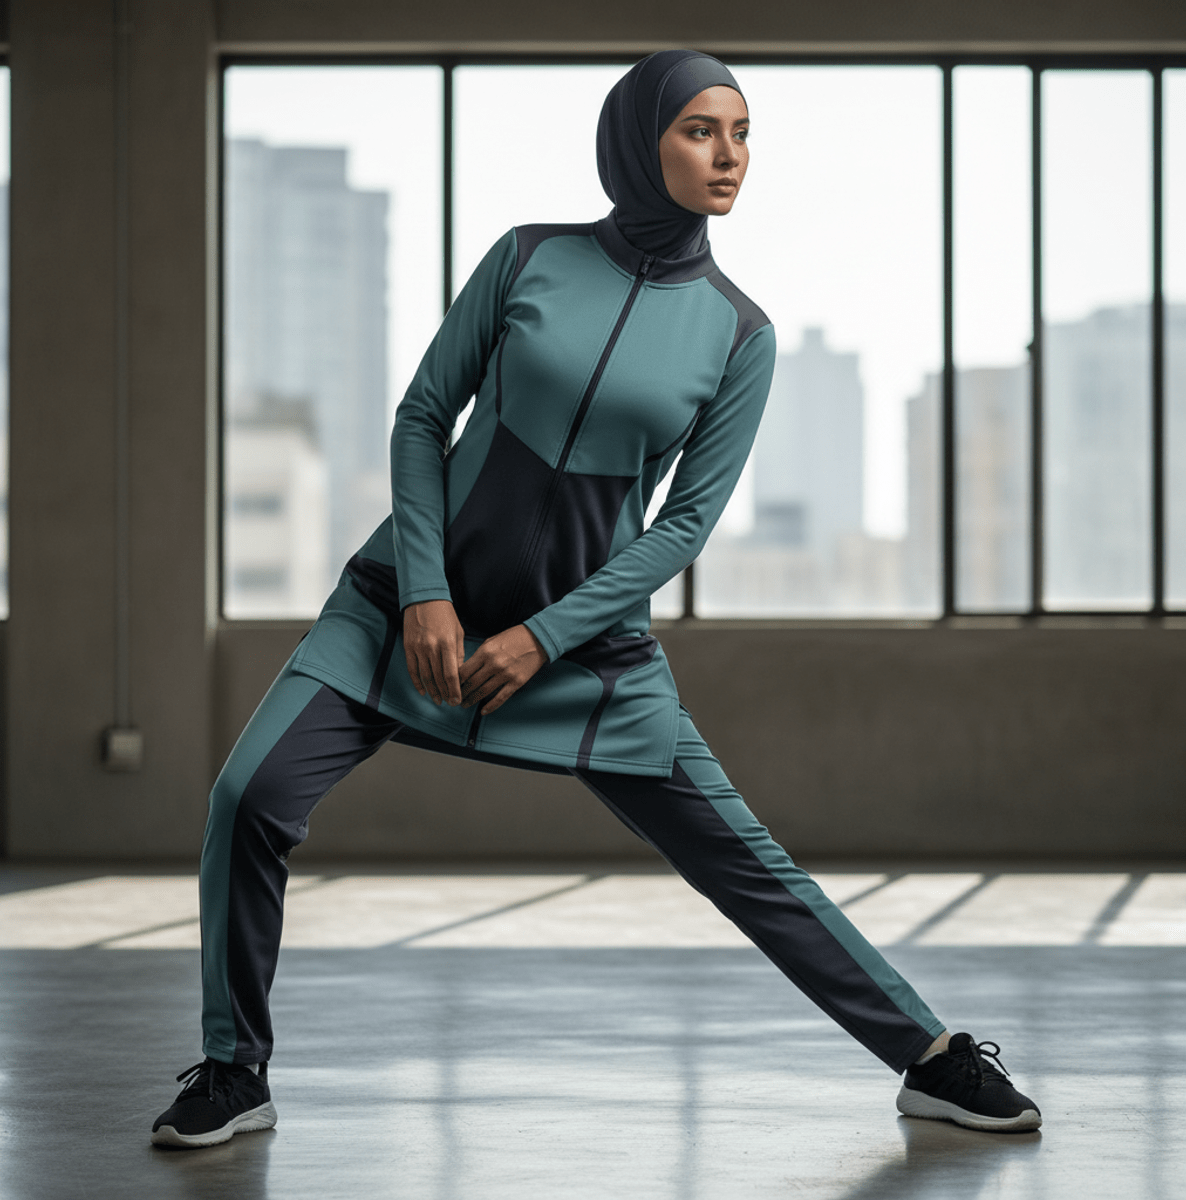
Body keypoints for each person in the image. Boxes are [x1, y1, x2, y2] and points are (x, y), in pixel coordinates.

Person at [151, 50, 1041, 1149]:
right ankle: (235, 1072)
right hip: (398, 616)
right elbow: (424, 416)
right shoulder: (528, 257)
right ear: (640, 139)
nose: (729, 157)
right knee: (248, 797)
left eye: (743, 133)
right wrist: (426, 595)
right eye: (700, 131)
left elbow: (683, 526)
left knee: (746, 863)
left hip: (582, 658)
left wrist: (542, 635)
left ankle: (933, 1056)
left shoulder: (738, 333)